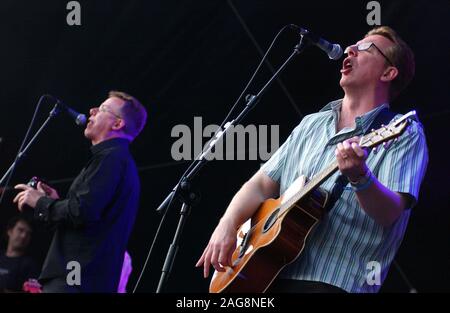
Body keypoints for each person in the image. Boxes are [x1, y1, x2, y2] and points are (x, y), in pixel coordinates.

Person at [196, 26, 428, 293]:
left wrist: (360, 178)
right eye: (353, 44)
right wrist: (227, 225)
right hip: (269, 273)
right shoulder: (312, 124)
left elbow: (389, 214)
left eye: (366, 48)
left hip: (332, 282)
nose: (351, 49)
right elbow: (260, 185)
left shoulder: (404, 131)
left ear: (389, 73)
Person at [13, 91, 147, 292]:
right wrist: (56, 202)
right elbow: (86, 213)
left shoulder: (111, 159)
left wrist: (40, 202)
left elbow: (82, 211)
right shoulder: (115, 160)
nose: (92, 110)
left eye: (102, 109)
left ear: (118, 124)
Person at [0, 216, 39, 292]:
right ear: (10, 231)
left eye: (28, 233)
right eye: (20, 230)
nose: (23, 236)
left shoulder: (30, 266)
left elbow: (34, 290)